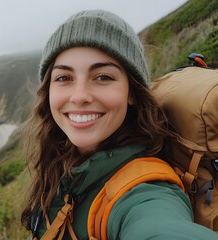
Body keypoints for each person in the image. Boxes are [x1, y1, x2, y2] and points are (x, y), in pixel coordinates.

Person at [20, 9, 218, 240]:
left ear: (131, 93)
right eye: (64, 78)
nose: (79, 96)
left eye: (103, 77)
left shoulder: (145, 193)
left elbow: (157, 227)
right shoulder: (61, 164)